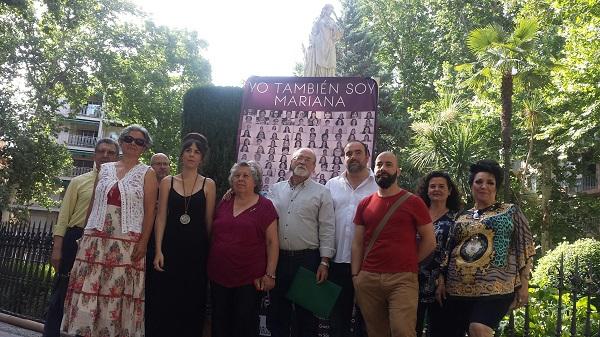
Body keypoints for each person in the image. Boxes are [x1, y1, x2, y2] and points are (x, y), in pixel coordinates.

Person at [62, 125, 158, 337]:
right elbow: (93, 203)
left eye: (139, 142)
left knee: (116, 291)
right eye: (129, 139)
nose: (133, 144)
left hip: (126, 243)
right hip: (95, 240)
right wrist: (84, 235)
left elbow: (150, 211)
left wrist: (143, 242)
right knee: (90, 286)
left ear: (144, 147)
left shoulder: (147, 173)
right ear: (122, 141)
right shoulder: (105, 169)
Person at [436, 160, 535, 337]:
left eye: (490, 182)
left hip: (497, 287)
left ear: (496, 187)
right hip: (456, 288)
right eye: (479, 182)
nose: (484, 186)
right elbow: (448, 250)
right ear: (472, 185)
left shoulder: (510, 211)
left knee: (479, 329)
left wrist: (524, 284)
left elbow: (525, 246)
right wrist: (441, 280)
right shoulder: (461, 216)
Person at [351, 151, 436, 337]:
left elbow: (430, 241)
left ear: (398, 171)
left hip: (402, 280)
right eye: (379, 165)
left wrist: (410, 262)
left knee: (402, 331)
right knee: (376, 333)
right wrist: (356, 276)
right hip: (368, 279)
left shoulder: (414, 202)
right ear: (374, 170)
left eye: (388, 165)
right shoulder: (365, 204)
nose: (383, 168)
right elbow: (357, 243)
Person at [43, 139, 119, 337]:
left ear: (116, 157)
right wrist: (57, 249)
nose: (105, 155)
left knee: (91, 296)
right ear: (94, 156)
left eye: (110, 152)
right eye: (101, 151)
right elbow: (63, 217)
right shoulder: (79, 182)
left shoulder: (119, 187)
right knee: (63, 293)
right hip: (75, 238)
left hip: (103, 243)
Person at [151, 133, 217, 337]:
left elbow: (208, 222)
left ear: (202, 158)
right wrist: (158, 249)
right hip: (170, 248)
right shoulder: (167, 182)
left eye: (197, 152)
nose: (192, 155)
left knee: (192, 300)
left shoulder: (208, 184)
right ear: (181, 155)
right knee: (167, 298)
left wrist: (209, 252)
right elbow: (160, 217)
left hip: (196, 252)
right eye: (188, 150)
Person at [267, 148, 335, 337]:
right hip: (279, 260)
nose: (302, 162)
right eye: (299, 158)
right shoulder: (275, 189)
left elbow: (327, 227)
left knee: (306, 318)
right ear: (291, 162)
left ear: (314, 166)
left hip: (308, 261)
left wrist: (324, 261)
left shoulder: (322, 192)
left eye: (308, 159)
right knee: (278, 314)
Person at [208, 161, 279, 337]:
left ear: (255, 181)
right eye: (237, 176)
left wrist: (270, 274)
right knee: (219, 322)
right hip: (219, 276)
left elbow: (272, 243)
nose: (240, 179)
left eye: (246, 176)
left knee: (244, 325)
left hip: (249, 279)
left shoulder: (265, 206)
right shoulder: (224, 202)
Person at [325, 141, 378, 337]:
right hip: (337, 261)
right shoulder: (331, 185)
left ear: (367, 157)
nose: (353, 156)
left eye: (358, 152)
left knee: (367, 320)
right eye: (348, 153)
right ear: (343, 158)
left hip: (369, 264)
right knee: (338, 320)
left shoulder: (378, 186)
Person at [414, 171, 462, 337]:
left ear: (449, 191)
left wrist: (443, 277)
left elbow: (458, 252)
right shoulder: (416, 214)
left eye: (441, 186)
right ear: (426, 190)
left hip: (443, 283)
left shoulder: (458, 218)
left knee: (441, 329)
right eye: (432, 186)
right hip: (414, 278)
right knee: (411, 328)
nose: (436, 189)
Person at [304, 4, 342, 76]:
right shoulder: (319, 20)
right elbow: (313, 31)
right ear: (325, 10)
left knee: (331, 62)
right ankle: (320, 77)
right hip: (320, 43)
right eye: (329, 10)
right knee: (320, 61)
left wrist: (333, 29)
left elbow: (338, 34)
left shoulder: (332, 21)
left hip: (330, 43)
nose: (330, 12)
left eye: (331, 10)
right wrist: (312, 42)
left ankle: (329, 77)